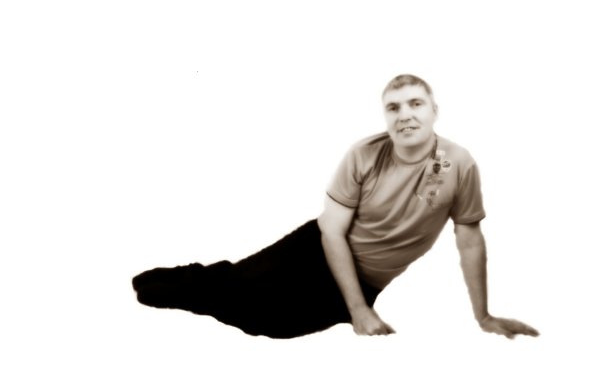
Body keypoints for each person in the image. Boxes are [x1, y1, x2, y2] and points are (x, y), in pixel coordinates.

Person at [132, 74, 539, 340]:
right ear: (386, 116)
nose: (405, 115)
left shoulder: (459, 164)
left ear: (435, 111)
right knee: (237, 288)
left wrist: (484, 316)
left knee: (268, 326)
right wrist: (357, 310)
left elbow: (469, 240)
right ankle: (189, 279)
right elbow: (331, 230)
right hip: (315, 248)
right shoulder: (364, 154)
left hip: (368, 280)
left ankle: (208, 288)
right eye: (393, 107)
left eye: (415, 103)